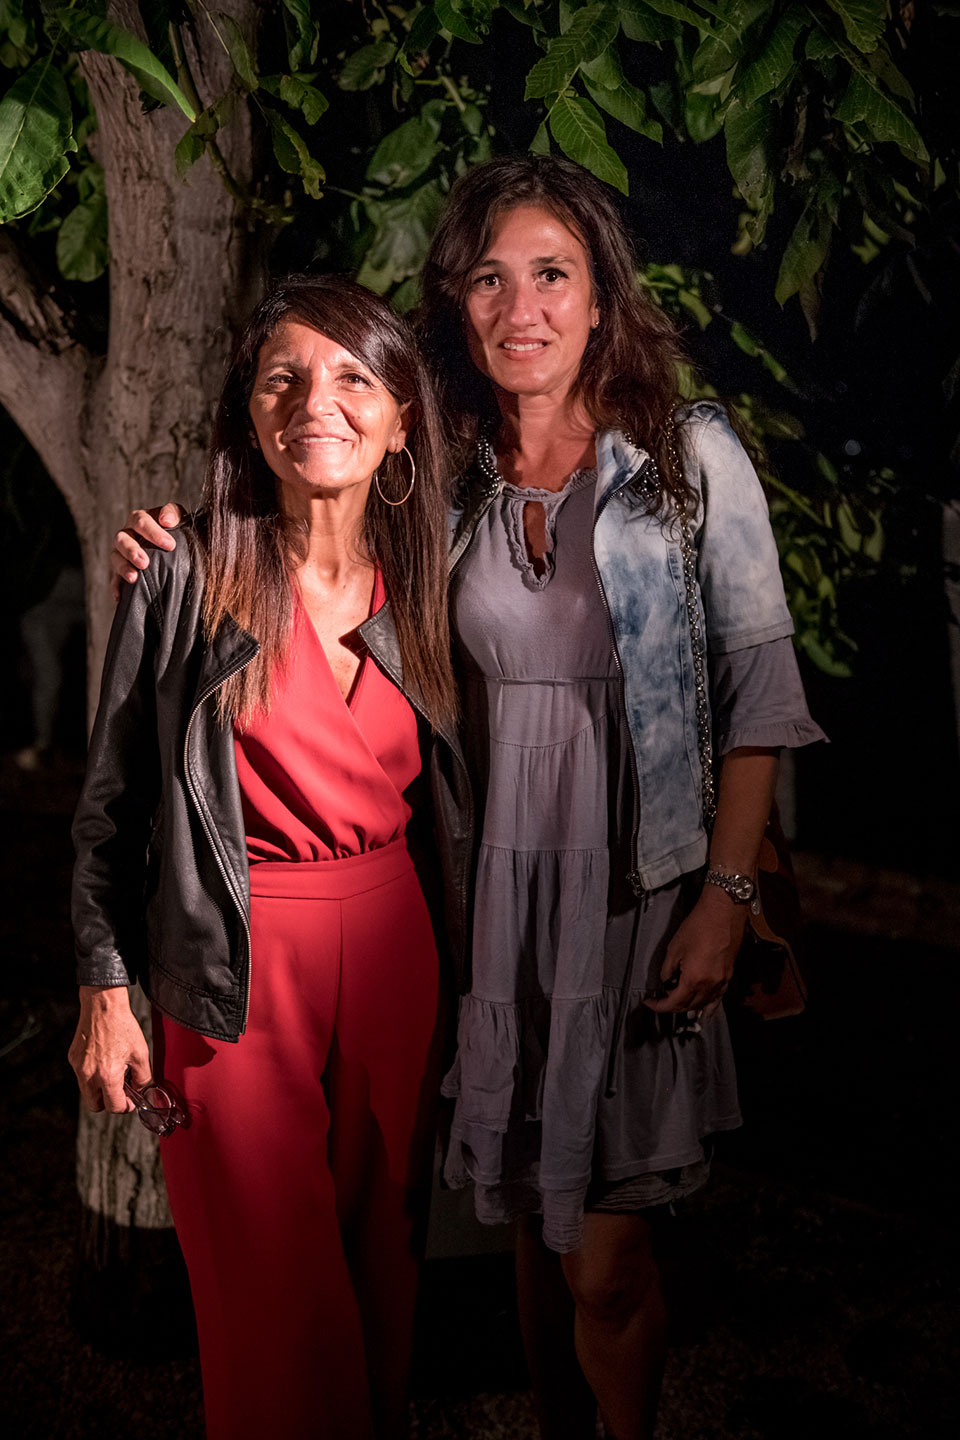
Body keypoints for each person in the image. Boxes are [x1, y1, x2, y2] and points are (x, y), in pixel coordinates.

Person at [112, 156, 825, 1440]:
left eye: (553, 274)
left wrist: (727, 892)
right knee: (538, 1232)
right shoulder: (449, 477)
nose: (522, 306)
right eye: (490, 279)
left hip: (639, 887)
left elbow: (761, 694)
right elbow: (316, 535)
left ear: (602, 294)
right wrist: (174, 541)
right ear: (458, 302)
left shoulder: (689, 456)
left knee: (606, 1258)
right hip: (490, 888)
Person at [69, 274, 469, 1440]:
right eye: (282, 377)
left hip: (398, 961)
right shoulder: (185, 575)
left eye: (352, 376)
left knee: (381, 1303)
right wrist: (106, 987)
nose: (314, 401)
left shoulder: (433, 582)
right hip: (233, 973)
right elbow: (109, 809)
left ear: (401, 418)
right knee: (278, 1327)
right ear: (248, 415)